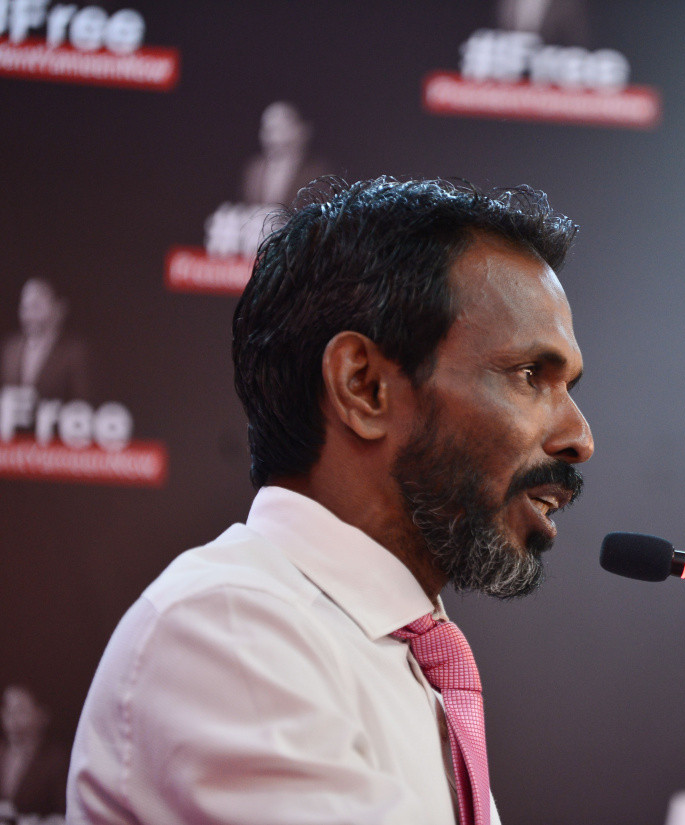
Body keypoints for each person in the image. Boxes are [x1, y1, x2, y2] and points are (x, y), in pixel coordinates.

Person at [67, 177, 594, 824]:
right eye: (530, 376)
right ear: (363, 386)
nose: (579, 438)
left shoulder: (404, 651)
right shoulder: (230, 630)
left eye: (568, 386)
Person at [1, 277, 90, 401]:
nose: (29, 315)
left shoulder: (74, 352)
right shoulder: (10, 348)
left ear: (59, 309)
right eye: (25, 307)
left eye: (36, 306)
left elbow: (83, 401)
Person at [1, 684, 69, 818]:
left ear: (42, 715)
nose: (12, 719)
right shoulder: (2, 753)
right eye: (7, 710)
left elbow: (65, 814)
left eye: (20, 710)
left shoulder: (57, 761)